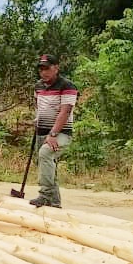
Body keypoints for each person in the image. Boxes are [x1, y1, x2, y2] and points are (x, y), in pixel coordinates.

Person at [30, 53, 79, 209]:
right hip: (42, 131)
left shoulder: (67, 86)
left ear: (56, 68)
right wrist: (36, 121)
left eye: (47, 68)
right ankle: (55, 202)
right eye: (41, 69)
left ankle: (45, 195)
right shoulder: (38, 86)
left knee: (45, 154)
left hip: (61, 132)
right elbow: (38, 106)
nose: (43, 72)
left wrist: (53, 134)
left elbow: (65, 112)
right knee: (47, 164)